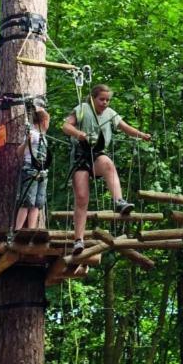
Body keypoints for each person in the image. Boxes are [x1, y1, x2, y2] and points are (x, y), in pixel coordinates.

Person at [62, 84, 151, 254]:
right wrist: (77, 133)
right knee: (81, 198)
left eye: (107, 100)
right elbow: (66, 126)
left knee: (108, 164)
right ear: (93, 98)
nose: (105, 103)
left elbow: (125, 127)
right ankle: (78, 240)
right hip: (81, 156)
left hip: (97, 153)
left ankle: (119, 201)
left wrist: (142, 135)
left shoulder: (110, 114)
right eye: (101, 99)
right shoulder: (83, 109)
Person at [14, 106, 50, 231]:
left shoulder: (43, 137)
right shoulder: (33, 135)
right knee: (27, 201)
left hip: (42, 172)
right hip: (30, 169)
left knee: (38, 203)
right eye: (48, 121)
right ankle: (18, 229)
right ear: (44, 121)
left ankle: (32, 229)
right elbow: (19, 153)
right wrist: (26, 142)